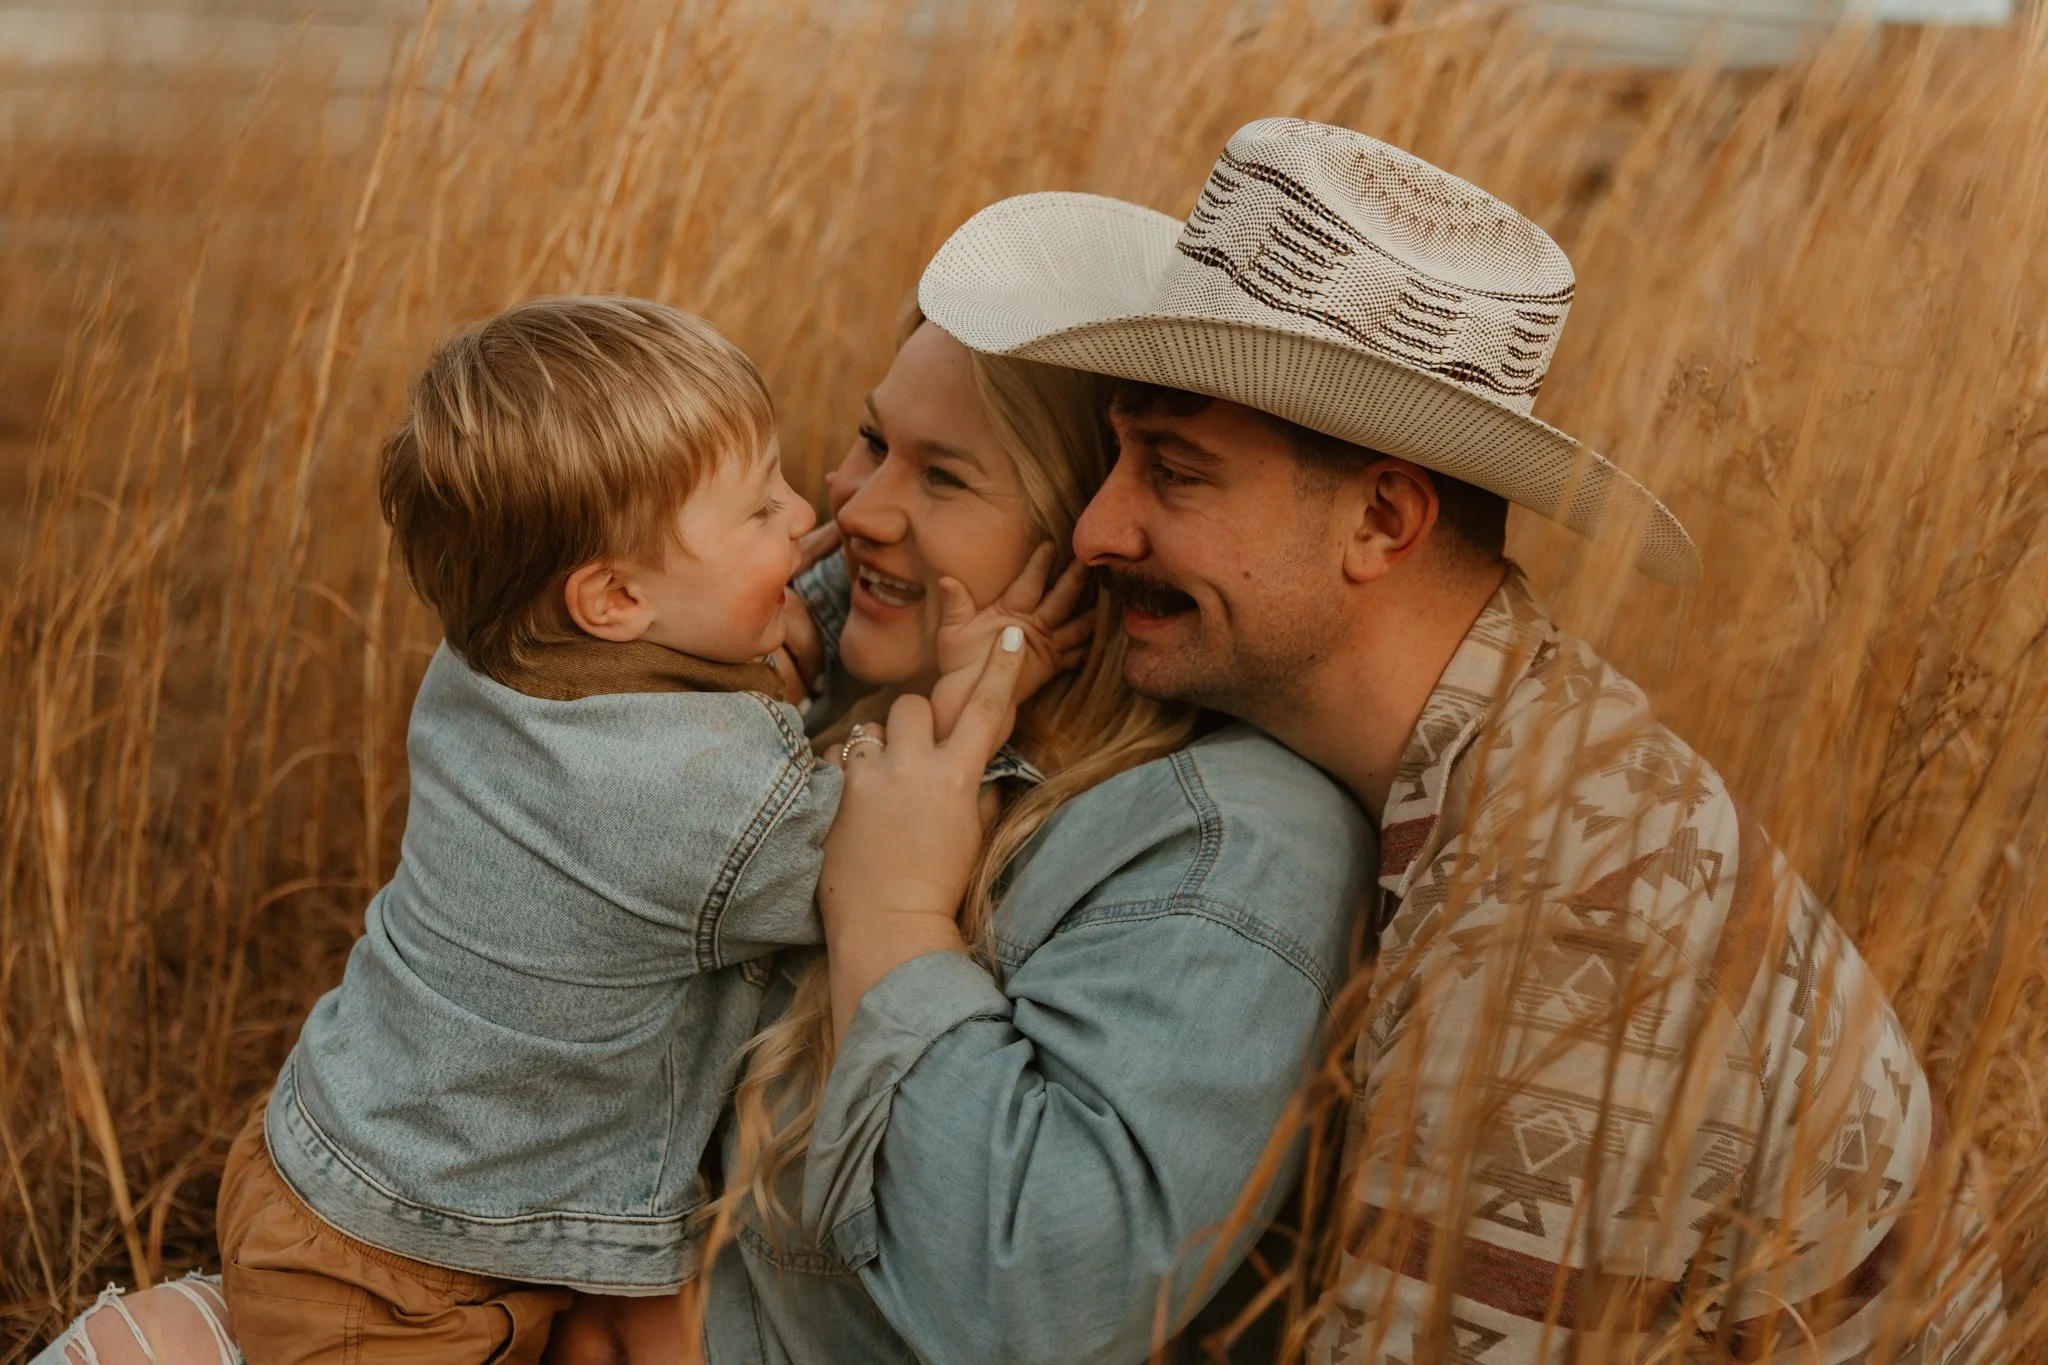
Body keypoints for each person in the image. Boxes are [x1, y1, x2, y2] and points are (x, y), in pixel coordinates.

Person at [36, 301, 1377, 1363]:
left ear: (1085, 535)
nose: (838, 512)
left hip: (399, 1231)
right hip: (431, 1272)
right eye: (864, 440)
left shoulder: (1209, 845)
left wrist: (899, 905)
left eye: (943, 473)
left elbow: (1028, 1295)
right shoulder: (806, 657)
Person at [909, 116, 2007, 1360]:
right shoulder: (1516, 748)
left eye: (1173, 470)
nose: (1099, 531)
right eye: (1116, 455)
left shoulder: (1560, 917)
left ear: (1381, 518)